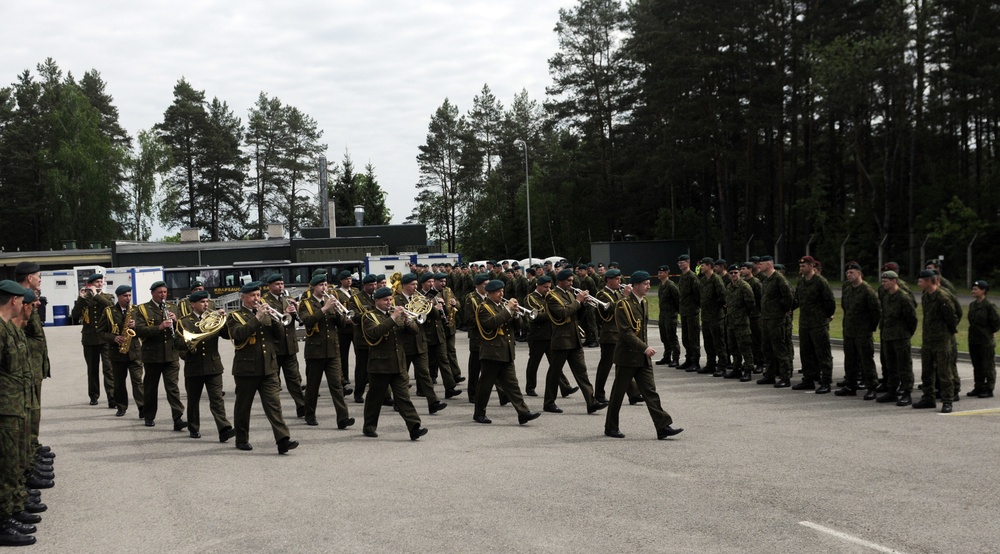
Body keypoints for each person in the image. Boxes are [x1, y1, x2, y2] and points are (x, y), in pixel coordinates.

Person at [603, 271, 683, 440]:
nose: (648, 286)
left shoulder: (644, 302)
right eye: (645, 284)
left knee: (650, 392)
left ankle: (663, 426)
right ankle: (611, 427)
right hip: (627, 357)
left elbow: (642, 331)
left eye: (648, 283)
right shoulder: (622, 305)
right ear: (635, 285)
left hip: (642, 357)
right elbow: (625, 333)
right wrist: (644, 348)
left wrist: (644, 351)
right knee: (618, 393)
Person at [225, 282, 299, 453]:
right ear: (243, 297)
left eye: (258, 295)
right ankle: (241, 438)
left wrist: (276, 320)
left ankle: (283, 440)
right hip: (246, 369)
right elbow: (239, 335)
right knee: (243, 407)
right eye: (252, 296)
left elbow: (279, 337)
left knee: (274, 405)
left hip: (269, 368)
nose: (256, 299)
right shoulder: (235, 316)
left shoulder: (267, 313)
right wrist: (257, 318)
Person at [359, 287, 428, 440]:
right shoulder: (369, 317)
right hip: (380, 366)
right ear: (376, 301)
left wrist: (407, 319)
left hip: (398, 363)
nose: (389, 302)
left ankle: (414, 427)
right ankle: (369, 427)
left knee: (404, 397)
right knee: (375, 399)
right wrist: (393, 318)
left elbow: (414, 331)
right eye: (385, 300)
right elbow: (375, 333)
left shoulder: (395, 315)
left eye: (390, 300)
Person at [0, 280, 38, 546]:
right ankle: (3, 520)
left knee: (12, 462)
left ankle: (12, 509)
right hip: (5, 408)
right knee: (6, 465)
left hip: (14, 405)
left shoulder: (7, 328)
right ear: (14, 301)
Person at [472, 280, 540, 425]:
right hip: (491, 352)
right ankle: (479, 413)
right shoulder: (483, 307)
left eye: (502, 291)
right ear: (489, 293)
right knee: (485, 385)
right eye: (498, 292)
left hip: (506, 351)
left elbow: (518, 327)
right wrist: (508, 310)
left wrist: (516, 315)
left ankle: (523, 413)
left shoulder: (503, 307)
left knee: (513, 385)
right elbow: (492, 323)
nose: (501, 294)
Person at [542, 269, 607, 414]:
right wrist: (578, 301)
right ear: (560, 281)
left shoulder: (570, 294)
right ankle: (549, 402)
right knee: (555, 372)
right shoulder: (552, 296)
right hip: (561, 340)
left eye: (572, 280)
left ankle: (591, 402)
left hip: (574, 338)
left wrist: (584, 304)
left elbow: (577, 315)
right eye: (569, 281)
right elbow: (563, 313)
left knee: (582, 373)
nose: (572, 283)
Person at [177, 291, 236, 442]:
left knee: (216, 399)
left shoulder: (214, 318)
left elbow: (227, 335)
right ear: (192, 304)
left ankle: (224, 429)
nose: (205, 305)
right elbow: (178, 343)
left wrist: (225, 320)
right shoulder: (184, 322)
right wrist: (190, 346)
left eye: (206, 302)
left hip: (213, 365)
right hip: (194, 365)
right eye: (202, 302)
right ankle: (193, 427)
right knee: (193, 400)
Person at [298, 275, 354, 429]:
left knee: (337, 386)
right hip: (315, 351)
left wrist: (339, 312)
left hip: (332, 351)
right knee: (313, 386)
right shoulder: (305, 304)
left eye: (326, 285)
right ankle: (309, 415)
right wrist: (324, 309)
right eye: (321, 285)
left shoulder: (331, 302)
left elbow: (342, 325)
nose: (325, 288)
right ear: (313, 287)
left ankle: (343, 418)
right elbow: (307, 322)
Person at [133, 281, 187, 430]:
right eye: (160, 292)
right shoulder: (143, 309)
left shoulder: (172, 307)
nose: (163, 295)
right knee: (150, 388)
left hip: (171, 354)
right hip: (152, 355)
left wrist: (176, 322)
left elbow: (182, 329)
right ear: (152, 293)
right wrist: (159, 327)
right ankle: (149, 416)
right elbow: (139, 330)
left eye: (164, 292)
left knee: (173, 388)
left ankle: (178, 418)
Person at [13, 262, 52, 470]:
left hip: (35, 363)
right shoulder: (17, 301)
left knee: (33, 409)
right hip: (28, 364)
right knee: (29, 410)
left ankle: (33, 447)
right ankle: (29, 456)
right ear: (29, 278)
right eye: (38, 276)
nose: (40, 279)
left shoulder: (29, 299)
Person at [394, 274, 449, 415]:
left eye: (415, 284)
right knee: (402, 376)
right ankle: (399, 402)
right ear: (404, 285)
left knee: (425, 374)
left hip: (420, 342)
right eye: (412, 284)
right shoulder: (396, 300)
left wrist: (431, 305)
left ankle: (433, 402)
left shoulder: (421, 299)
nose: (415, 287)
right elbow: (397, 322)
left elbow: (435, 316)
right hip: (404, 344)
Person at [522, 276, 578, 398]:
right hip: (538, 336)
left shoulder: (551, 296)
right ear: (538, 285)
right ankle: (530, 387)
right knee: (534, 363)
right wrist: (554, 313)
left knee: (555, 364)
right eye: (545, 287)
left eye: (549, 287)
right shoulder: (530, 298)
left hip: (551, 334)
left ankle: (564, 387)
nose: (547, 290)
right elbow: (535, 316)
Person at [261, 274, 307, 418]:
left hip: (289, 347)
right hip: (274, 347)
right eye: (277, 284)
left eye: (282, 283)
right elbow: (266, 322)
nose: (280, 286)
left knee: (294, 380)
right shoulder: (263, 301)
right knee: (274, 383)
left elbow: (296, 321)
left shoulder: (287, 299)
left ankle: (302, 407)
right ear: (269, 286)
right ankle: (275, 411)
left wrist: (296, 311)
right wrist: (284, 313)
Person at [593, 269, 642, 404]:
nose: (619, 282)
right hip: (610, 335)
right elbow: (609, 311)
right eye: (616, 279)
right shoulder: (602, 294)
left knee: (624, 365)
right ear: (608, 280)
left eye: (620, 279)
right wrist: (625, 296)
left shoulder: (617, 293)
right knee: (606, 366)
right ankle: (599, 394)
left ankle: (633, 394)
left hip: (621, 334)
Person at [913, 270, 958, 413]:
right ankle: (928, 398)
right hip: (928, 340)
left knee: (944, 373)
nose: (918, 283)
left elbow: (953, 317)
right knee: (927, 371)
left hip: (942, 340)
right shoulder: (926, 296)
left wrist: (948, 334)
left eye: (921, 281)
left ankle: (947, 401)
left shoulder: (943, 298)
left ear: (928, 281)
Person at [97, 285, 145, 418]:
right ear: (118, 297)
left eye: (129, 295)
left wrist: (136, 326)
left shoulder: (136, 310)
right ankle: (121, 406)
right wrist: (114, 338)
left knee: (138, 381)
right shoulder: (109, 312)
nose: (128, 298)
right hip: (117, 353)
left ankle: (142, 407)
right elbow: (100, 333)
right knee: (119, 382)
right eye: (125, 296)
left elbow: (144, 328)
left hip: (134, 352)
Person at [836, 262, 881, 399]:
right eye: (847, 273)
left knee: (866, 360)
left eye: (852, 272)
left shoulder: (867, 290)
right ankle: (850, 385)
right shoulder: (848, 289)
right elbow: (845, 307)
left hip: (863, 332)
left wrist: (870, 327)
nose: (849, 275)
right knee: (849, 360)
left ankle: (871, 386)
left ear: (859, 274)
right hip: (849, 330)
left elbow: (875, 312)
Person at [791, 256, 836, 393]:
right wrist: (789, 308)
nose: (801, 268)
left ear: (811, 266)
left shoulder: (820, 282)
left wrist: (826, 317)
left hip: (818, 324)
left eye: (804, 266)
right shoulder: (801, 282)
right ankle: (809, 379)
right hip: (805, 323)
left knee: (823, 353)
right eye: (800, 266)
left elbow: (830, 301)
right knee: (806, 352)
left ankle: (826, 381)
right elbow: (797, 299)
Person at [70, 273, 115, 407]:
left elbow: (110, 308)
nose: (100, 284)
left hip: (105, 338)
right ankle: (93, 395)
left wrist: (96, 295)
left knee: (108, 369)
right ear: (90, 284)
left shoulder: (107, 297)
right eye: (97, 282)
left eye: (101, 281)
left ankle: (111, 396)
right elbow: (75, 315)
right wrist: (80, 298)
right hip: (89, 339)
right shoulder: (84, 299)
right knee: (92, 369)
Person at [877, 271, 917, 406]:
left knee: (904, 365)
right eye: (882, 281)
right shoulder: (887, 297)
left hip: (901, 337)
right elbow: (884, 316)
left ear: (894, 281)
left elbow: (912, 319)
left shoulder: (904, 298)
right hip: (888, 336)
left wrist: (907, 333)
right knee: (890, 365)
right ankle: (892, 391)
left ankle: (906, 392)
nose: (883, 284)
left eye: (886, 281)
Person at [419, 273, 461, 398]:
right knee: (425, 364)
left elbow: (445, 314)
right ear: (423, 283)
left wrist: (444, 306)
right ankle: (422, 388)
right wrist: (434, 308)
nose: (431, 284)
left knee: (444, 360)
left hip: (439, 333)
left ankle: (450, 387)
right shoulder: (419, 296)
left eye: (432, 281)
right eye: (429, 282)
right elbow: (420, 315)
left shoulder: (436, 294)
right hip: (426, 333)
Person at [756, 256, 794, 388]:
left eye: (761, 263)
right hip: (766, 319)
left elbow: (789, 296)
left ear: (769, 264)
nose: (759, 266)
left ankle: (785, 377)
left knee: (780, 349)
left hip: (777, 320)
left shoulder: (779, 279)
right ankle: (770, 375)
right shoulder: (766, 280)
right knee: (767, 348)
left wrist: (783, 310)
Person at [966, 280, 1000, 398]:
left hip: (985, 340)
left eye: (976, 289)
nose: (973, 291)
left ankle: (988, 388)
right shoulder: (972, 305)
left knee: (987, 365)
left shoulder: (989, 305)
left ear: (983, 291)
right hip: (973, 339)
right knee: (977, 365)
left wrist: (988, 332)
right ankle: (978, 386)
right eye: (973, 289)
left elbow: (996, 323)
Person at [723, 265, 756, 381]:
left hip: (741, 322)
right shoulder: (729, 287)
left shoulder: (744, 287)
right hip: (731, 322)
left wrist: (743, 315)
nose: (733, 275)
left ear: (739, 274)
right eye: (731, 273)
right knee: (733, 347)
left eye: (735, 272)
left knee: (745, 347)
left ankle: (748, 370)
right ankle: (736, 368)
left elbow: (750, 304)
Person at [348, 275, 378, 403]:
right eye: (371, 285)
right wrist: (372, 312)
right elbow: (354, 316)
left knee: (377, 368)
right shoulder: (355, 299)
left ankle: (383, 395)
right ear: (364, 285)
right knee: (362, 368)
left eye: (375, 284)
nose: (374, 287)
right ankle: (358, 393)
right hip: (362, 338)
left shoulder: (378, 296)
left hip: (377, 337)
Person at [697, 257, 728, 376]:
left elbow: (722, 297)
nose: (701, 267)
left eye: (703, 265)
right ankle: (711, 364)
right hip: (706, 316)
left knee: (719, 342)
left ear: (709, 266)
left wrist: (715, 308)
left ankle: (722, 366)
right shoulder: (704, 280)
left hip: (716, 316)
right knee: (708, 342)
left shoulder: (716, 280)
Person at [676, 255, 701, 371]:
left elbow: (697, 295)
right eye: (679, 263)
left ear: (688, 263)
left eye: (683, 262)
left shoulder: (692, 277)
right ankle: (689, 359)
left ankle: (695, 361)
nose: (680, 264)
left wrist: (695, 307)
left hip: (692, 312)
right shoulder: (682, 277)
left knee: (693, 338)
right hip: (684, 312)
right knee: (685, 337)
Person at [331, 271, 356, 393]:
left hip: (355, 327)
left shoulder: (355, 291)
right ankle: (344, 377)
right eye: (346, 279)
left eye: (350, 278)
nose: (349, 281)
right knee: (343, 355)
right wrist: (343, 319)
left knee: (360, 354)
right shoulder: (336, 293)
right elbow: (336, 308)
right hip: (343, 328)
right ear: (341, 281)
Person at [654, 265, 680, 366]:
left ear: (666, 273)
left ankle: (676, 358)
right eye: (658, 273)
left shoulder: (671, 285)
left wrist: (676, 313)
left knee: (672, 337)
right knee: (664, 337)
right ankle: (667, 356)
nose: (659, 274)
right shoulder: (661, 285)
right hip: (663, 315)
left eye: (661, 273)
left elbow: (677, 300)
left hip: (670, 315)